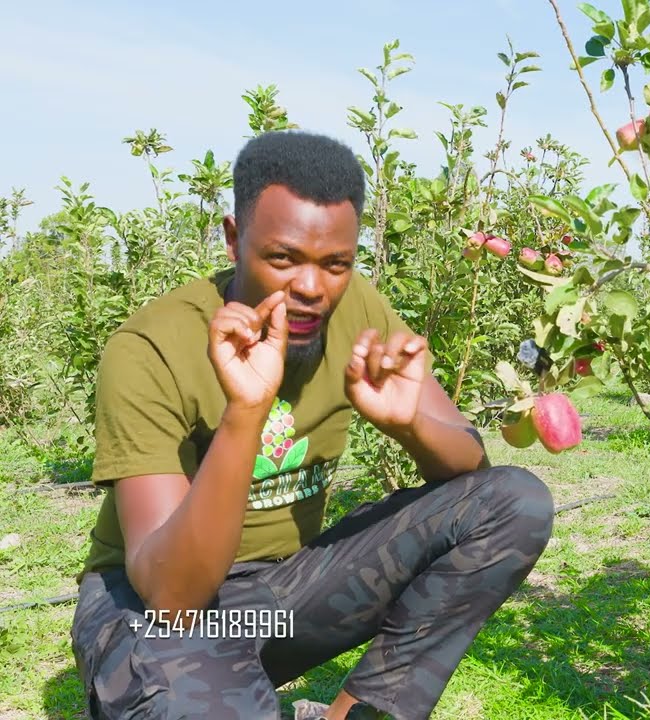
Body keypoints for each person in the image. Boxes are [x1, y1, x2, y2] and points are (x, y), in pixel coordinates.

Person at [69, 130, 555, 720]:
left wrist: (410, 426)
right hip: (151, 606)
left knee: (513, 501)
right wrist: (246, 412)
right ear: (232, 240)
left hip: (279, 596)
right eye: (282, 258)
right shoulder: (153, 347)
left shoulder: (353, 307)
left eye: (336, 265)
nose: (310, 288)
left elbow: (470, 470)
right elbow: (175, 598)